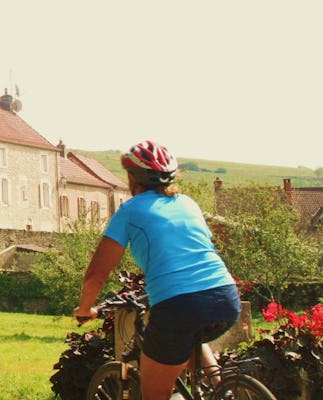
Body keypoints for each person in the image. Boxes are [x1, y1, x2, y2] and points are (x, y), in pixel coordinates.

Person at [73, 140, 240, 400]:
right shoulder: (188, 203)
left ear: (131, 178)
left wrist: (86, 308)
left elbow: (97, 273)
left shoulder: (130, 210)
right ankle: (222, 391)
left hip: (178, 304)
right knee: (192, 333)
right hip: (225, 296)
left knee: (154, 394)